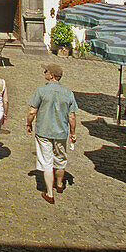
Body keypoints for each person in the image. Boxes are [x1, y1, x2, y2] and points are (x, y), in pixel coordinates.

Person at [26, 63, 78, 204]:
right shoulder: (68, 93)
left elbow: (32, 111)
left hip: (44, 131)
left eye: (46, 71)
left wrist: (28, 123)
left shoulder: (41, 91)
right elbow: (72, 116)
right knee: (60, 159)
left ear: (52, 75)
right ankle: (60, 184)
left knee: (47, 161)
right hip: (61, 132)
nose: (44, 73)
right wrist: (73, 132)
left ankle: (49, 193)